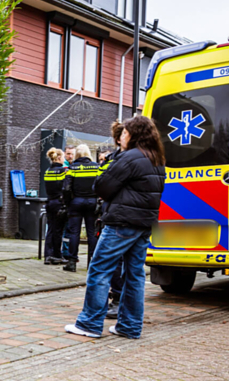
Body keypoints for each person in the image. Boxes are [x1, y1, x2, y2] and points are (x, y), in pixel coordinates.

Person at [65, 116, 167, 339]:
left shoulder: (129, 158)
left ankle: (89, 324)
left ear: (134, 134)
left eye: (124, 132)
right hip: (143, 224)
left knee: (100, 270)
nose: (121, 136)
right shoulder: (156, 158)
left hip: (121, 222)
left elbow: (101, 186)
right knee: (135, 275)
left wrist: (114, 162)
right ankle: (129, 327)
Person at [99, 122, 126, 319]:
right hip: (115, 214)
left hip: (119, 215)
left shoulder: (116, 160)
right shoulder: (113, 160)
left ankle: (118, 300)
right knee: (120, 262)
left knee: (113, 261)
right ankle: (118, 300)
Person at [61, 144, 100, 272]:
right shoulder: (96, 167)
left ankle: (72, 262)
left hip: (76, 202)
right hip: (92, 202)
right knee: (92, 233)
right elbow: (101, 185)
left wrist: (68, 203)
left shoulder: (73, 168)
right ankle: (92, 263)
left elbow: (66, 188)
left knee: (74, 233)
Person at [42, 147, 67, 265]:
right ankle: (57, 255)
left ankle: (47, 255)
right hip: (59, 203)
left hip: (49, 202)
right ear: (59, 158)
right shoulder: (63, 171)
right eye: (63, 157)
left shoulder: (47, 171)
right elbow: (64, 188)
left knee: (50, 229)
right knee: (58, 230)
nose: (64, 159)